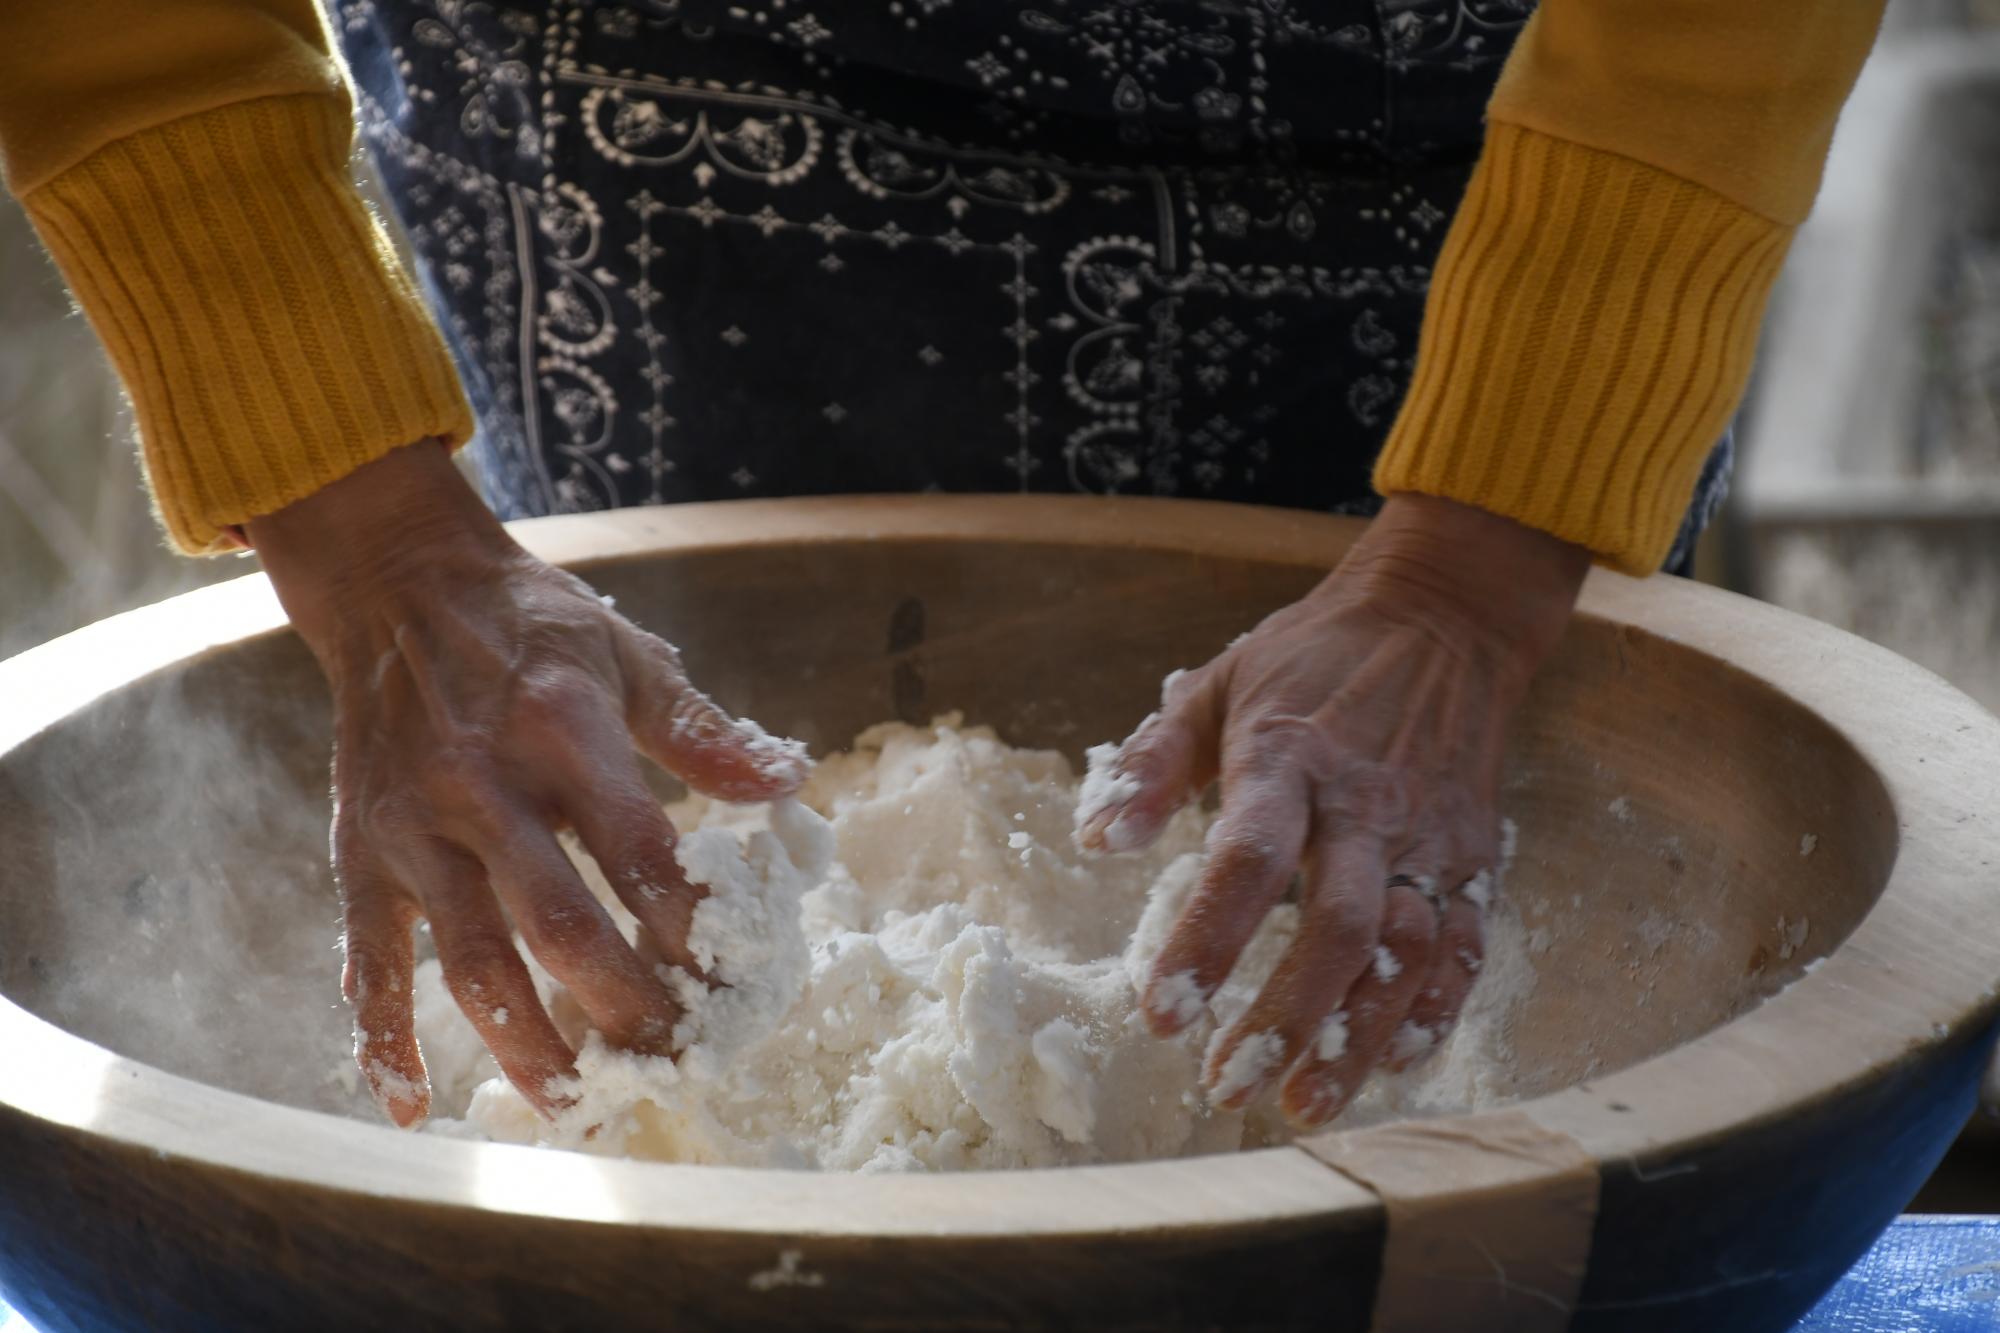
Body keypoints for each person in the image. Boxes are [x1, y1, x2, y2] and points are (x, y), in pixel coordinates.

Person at [0, 1, 1885, 1133]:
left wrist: (1481, 562)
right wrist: (375, 529)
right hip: (648, 137)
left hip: (1455, 160)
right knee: (657, 899)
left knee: (1377, 952)